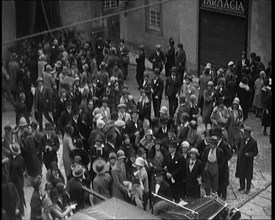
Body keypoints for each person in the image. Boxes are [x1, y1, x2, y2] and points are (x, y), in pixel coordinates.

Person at [235, 126, 258, 194]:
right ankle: (242, 186)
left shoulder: (253, 142)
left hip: (248, 162)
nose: (244, 135)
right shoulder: (241, 139)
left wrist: (249, 154)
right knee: (241, 174)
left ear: (248, 135)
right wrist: (238, 152)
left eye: (245, 134)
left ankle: (248, 189)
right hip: (241, 160)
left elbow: (255, 152)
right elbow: (238, 146)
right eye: (244, 133)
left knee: (248, 176)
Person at [213, 129, 233, 201]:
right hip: (216, 165)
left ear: (219, 136)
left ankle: (224, 195)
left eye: (216, 136)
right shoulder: (215, 143)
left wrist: (223, 160)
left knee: (223, 181)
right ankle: (218, 193)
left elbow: (229, 154)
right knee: (217, 180)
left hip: (223, 166)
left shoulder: (224, 144)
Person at [9, 143, 26, 217]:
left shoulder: (13, 164)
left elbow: (12, 176)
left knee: (18, 197)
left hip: (16, 182)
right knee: (21, 195)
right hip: (21, 180)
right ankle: (22, 210)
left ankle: (20, 211)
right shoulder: (21, 159)